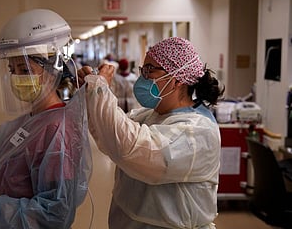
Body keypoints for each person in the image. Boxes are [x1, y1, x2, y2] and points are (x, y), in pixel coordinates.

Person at [0, 8, 92, 229]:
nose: (17, 78)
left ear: (53, 68)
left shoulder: (58, 130)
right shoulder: (28, 122)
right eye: (13, 70)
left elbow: (54, 215)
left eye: (25, 69)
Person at [78, 37, 225, 229]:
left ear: (176, 80)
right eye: (142, 70)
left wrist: (99, 90)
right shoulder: (150, 115)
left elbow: (130, 148)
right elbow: (109, 137)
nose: (142, 78)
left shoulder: (197, 131)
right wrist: (89, 92)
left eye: (149, 70)